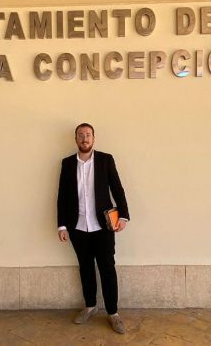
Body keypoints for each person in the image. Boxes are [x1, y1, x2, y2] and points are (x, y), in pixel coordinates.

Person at [57, 123, 130, 334]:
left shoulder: (106, 160)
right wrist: (62, 225)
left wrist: (123, 216)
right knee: (85, 268)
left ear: (94, 138)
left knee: (107, 268)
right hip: (78, 227)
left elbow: (117, 188)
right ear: (76, 139)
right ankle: (90, 306)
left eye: (88, 135)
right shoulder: (67, 164)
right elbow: (62, 196)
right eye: (80, 135)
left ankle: (113, 313)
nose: (84, 138)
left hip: (103, 227)